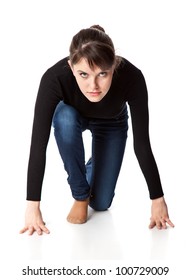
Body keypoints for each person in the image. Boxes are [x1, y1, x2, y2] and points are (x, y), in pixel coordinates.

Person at [20, 25, 174, 235]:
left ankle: (93, 166)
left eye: (103, 73)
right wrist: (32, 206)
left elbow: (142, 144)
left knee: (101, 203)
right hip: (71, 117)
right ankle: (80, 193)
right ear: (71, 67)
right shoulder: (54, 78)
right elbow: (38, 145)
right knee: (64, 117)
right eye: (83, 74)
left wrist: (157, 199)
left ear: (115, 66)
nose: (93, 85)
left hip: (112, 122)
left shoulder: (132, 77)